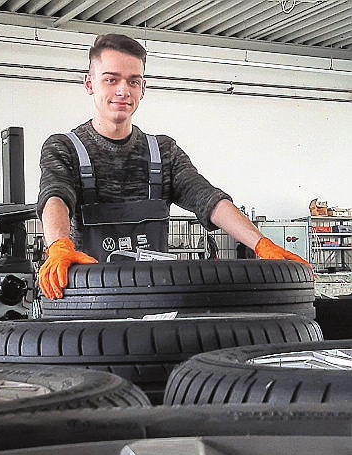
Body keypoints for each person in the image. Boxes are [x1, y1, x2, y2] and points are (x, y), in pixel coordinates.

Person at [37, 33, 311, 300]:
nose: (123, 90)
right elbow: (55, 195)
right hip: (89, 299)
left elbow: (208, 199)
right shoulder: (64, 148)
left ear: (142, 89)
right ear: (90, 84)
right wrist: (59, 245)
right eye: (111, 80)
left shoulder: (163, 152)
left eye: (133, 82)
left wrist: (260, 243)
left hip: (155, 300)